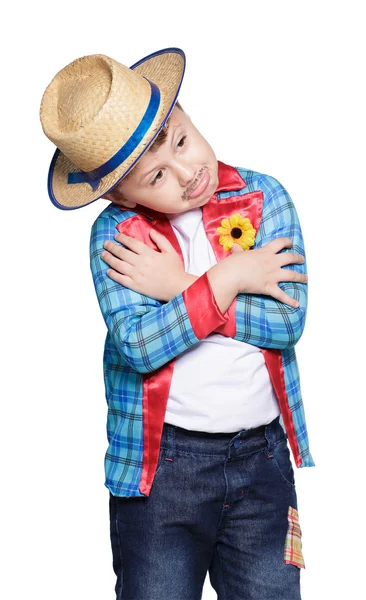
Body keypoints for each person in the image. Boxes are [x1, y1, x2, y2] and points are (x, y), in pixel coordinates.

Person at [40, 47, 314, 600]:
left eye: (183, 141)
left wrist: (175, 287)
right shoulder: (118, 239)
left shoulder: (264, 197)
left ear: (186, 115)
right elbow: (142, 345)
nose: (188, 174)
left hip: (262, 461)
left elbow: (286, 322)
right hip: (163, 470)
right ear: (118, 194)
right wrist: (228, 276)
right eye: (157, 175)